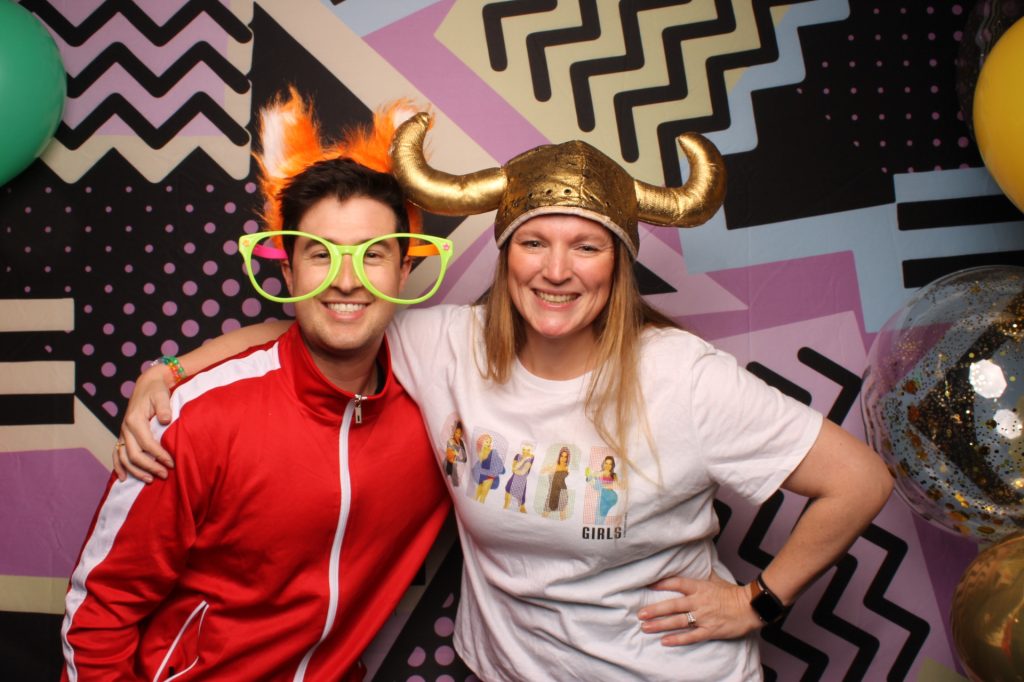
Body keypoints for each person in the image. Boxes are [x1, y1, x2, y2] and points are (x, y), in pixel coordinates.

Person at [117, 110, 894, 680]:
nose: (557, 270)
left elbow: (860, 480)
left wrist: (758, 601)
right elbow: (325, 321)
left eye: (586, 246)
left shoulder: (681, 377)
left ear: (617, 265)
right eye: (534, 241)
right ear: (506, 251)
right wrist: (169, 372)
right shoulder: (444, 345)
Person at [60, 92, 453, 681]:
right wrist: (168, 371)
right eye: (321, 255)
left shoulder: (444, 405)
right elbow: (99, 612)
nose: (347, 280)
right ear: (288, 269)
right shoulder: (194, 418)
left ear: (405, 268)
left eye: (373, 256)